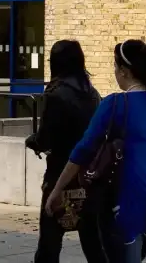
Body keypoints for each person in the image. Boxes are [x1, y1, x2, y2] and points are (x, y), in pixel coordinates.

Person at [44, 39, 146, 263]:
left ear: (125, 71)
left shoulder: (115, 103)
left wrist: (57, 189)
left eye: (115, 67)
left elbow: (83, 151)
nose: (114, 73)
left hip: (125, 201)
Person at [25, 40, 104, 263]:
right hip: (89, 177)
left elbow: (45, 138)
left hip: (61, 173)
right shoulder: (93, 93)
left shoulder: (55, 94)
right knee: (93, 243)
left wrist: (32, 142)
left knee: (49, 243)